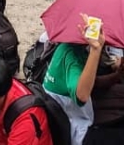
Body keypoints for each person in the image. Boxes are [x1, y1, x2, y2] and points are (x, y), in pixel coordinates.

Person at [42, 15, 105, 145]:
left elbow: (93, 81)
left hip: (57, 115)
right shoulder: (73, 56)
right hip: (70, 128)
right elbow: (82, 96)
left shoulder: (64, 46)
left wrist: (117, 76)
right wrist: (96, 50)